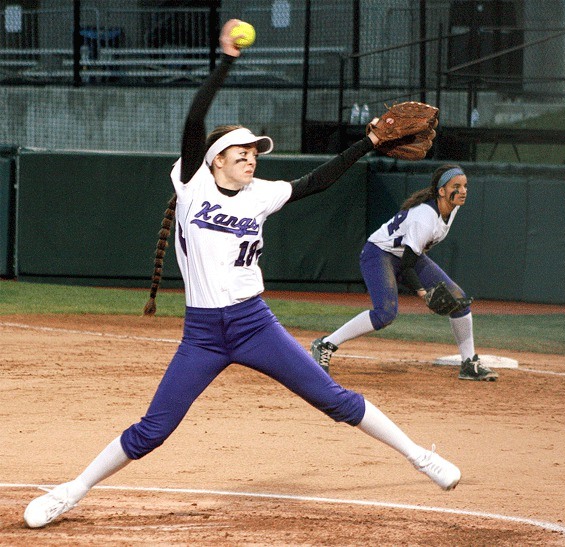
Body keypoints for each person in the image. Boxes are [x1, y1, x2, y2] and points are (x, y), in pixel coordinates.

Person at [23, 19, 460, 529]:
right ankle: (70, 491)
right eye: (243, 151)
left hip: (255, 324)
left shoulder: (261, 194)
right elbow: (194, 119)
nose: (252, 156)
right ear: (214, 161)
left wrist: (366, 142)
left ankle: (417, 456)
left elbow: (318, 181)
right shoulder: (192, 184)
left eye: (256, 150)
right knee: (152, 430)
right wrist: (227, 59)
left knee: (334, 399)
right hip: (203, 335)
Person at [311, 164, 499, 382]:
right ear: (441, 191)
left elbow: (411, 258)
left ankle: (469, 363)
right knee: (385, 313)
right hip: (379, 254)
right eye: (456, 186)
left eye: (465, 185)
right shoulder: (425, 217)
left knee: (459, 300)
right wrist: (423, 293)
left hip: (407, 255)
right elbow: (407, 265)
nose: (463, 190)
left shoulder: (452, 207)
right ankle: (325, 344)